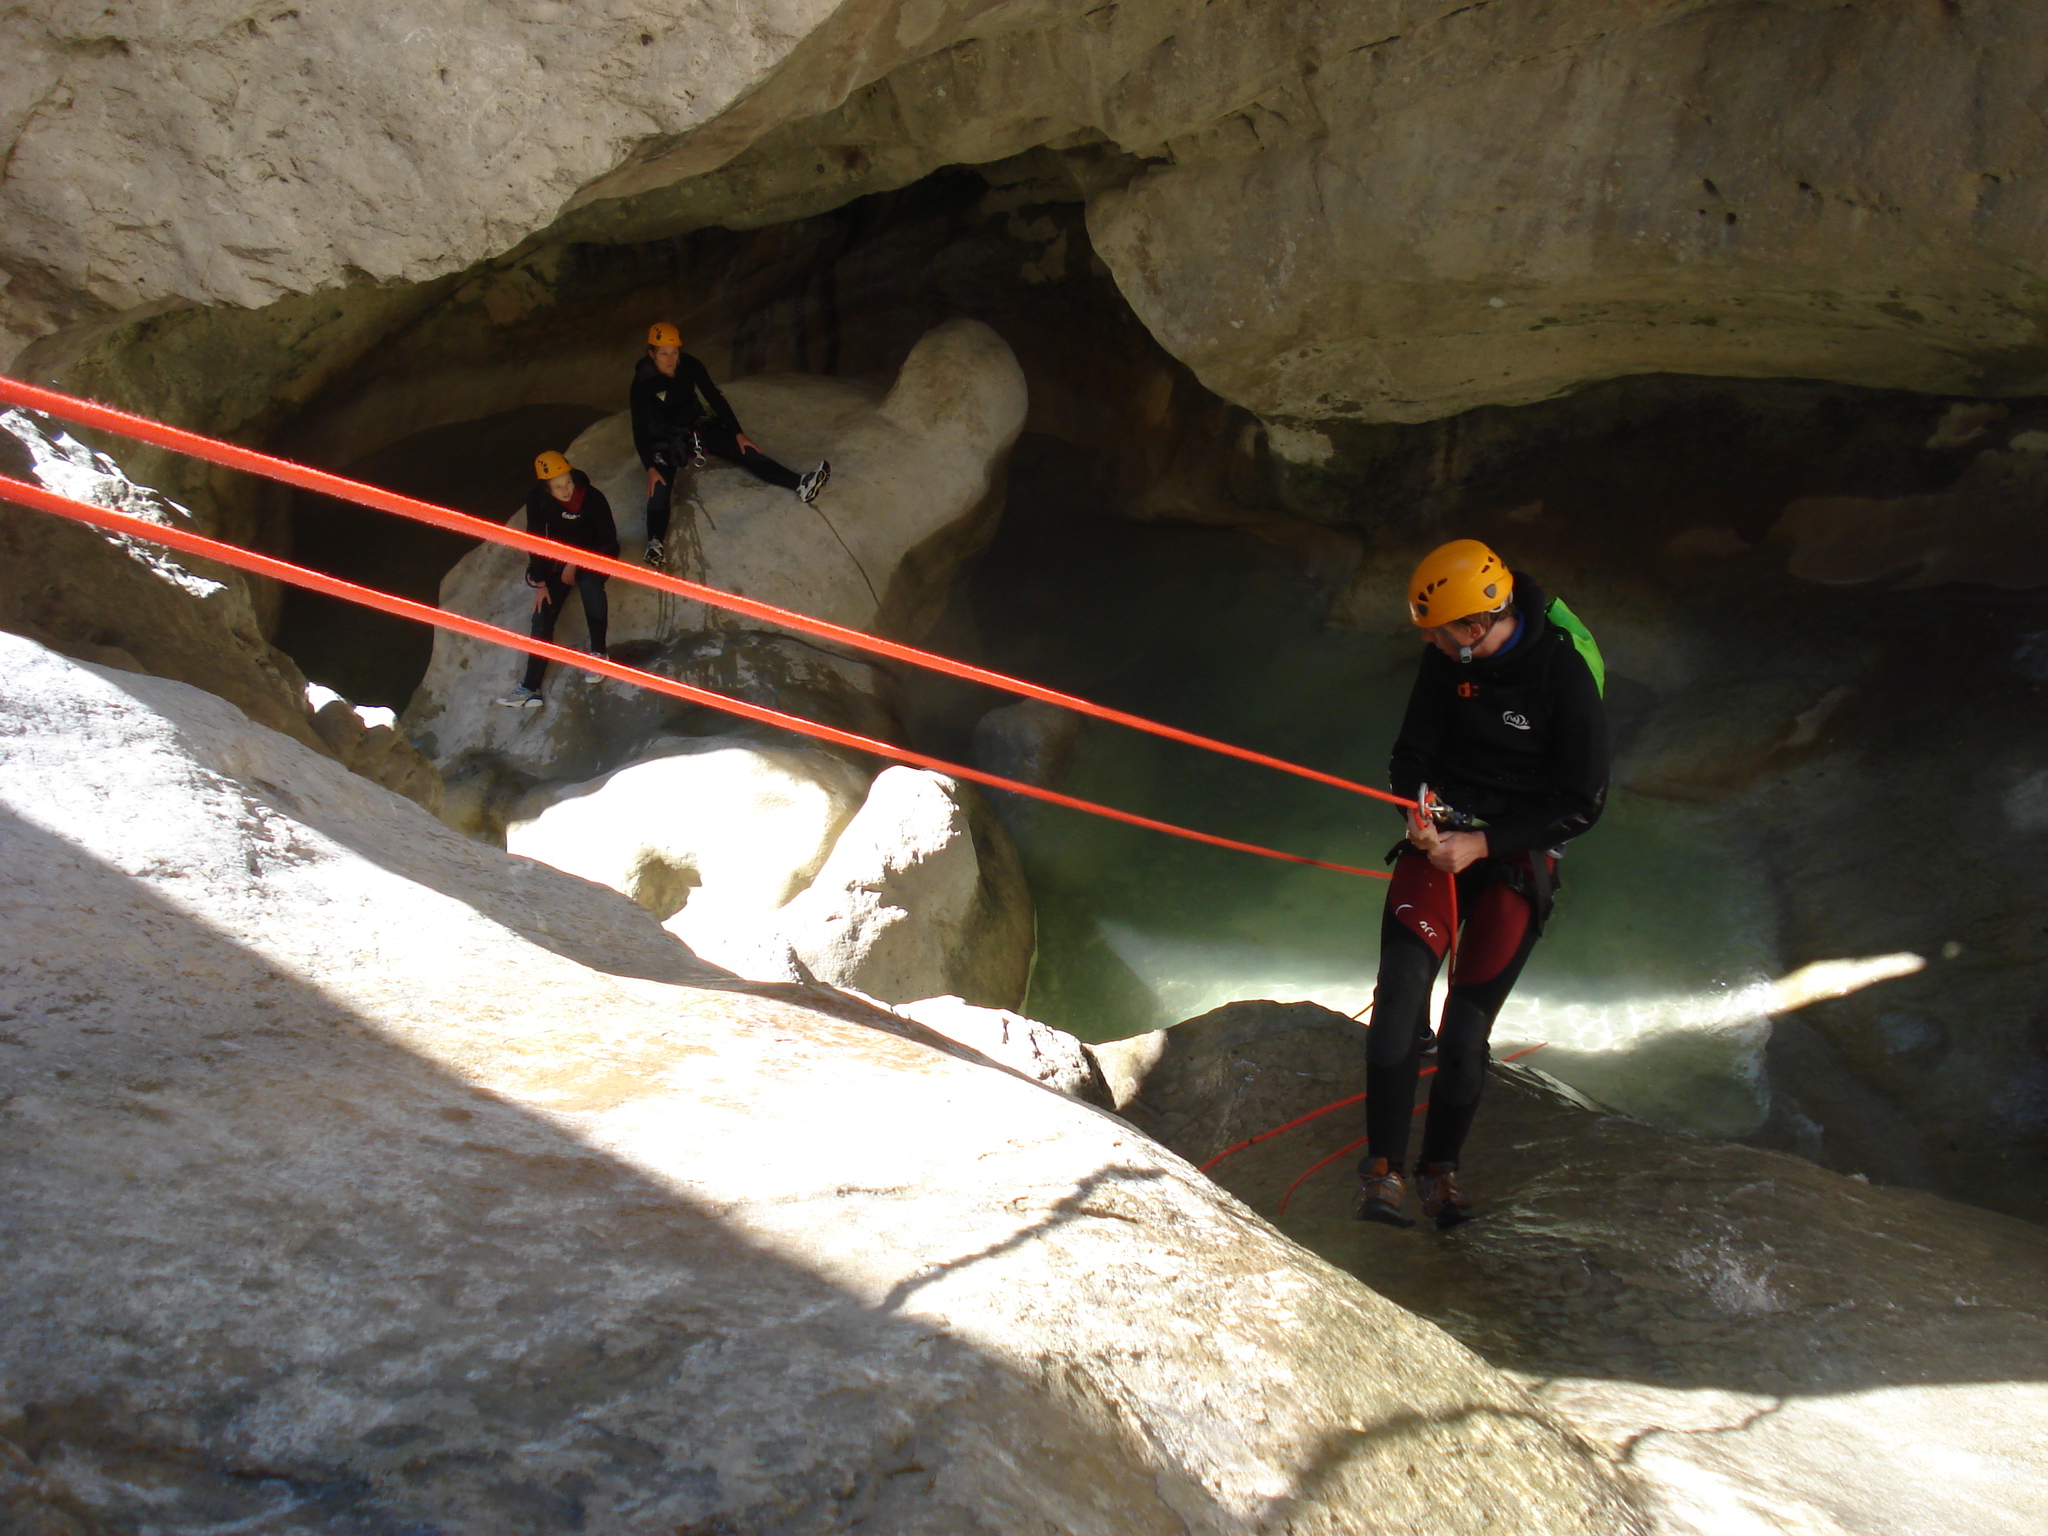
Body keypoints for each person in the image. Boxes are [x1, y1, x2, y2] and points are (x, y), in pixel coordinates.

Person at [1356, 539, 1608, 1229]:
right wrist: (1415, 812)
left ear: (1475, 627)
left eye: (1438, 632)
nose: (1429, 643)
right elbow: (1410, 754)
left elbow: (1581, 802)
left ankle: (1441, 1171)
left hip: (1513, 852)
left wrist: (1486, 844)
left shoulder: (1560, 673)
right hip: (1441, 842)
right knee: (1401, 995)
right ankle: (1382, 1171)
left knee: (1465, 1034)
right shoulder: (1446, 662)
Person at [631, 321, 830, 566]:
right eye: (663, 354)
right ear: (651, 354)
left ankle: (800, 484)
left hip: (696, 426)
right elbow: (639, 428)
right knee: (659, 486)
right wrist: (649, 467)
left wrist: (738, 433)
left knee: (745, 450)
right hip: (665, 437)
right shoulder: (642, 382)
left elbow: (715, 398)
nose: (670, 359)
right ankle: (655, 543)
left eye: (674, 352)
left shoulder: (690, 366)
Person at [494, 451, 620, 709]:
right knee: (543, 611)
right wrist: (541, 582)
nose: (566, 491)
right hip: (563, 557)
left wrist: (575, 561)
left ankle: (599, 653)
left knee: (589, 584)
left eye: (568, 483)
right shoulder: (538, 499)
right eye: (558, 486)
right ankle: (530, 689)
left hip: (597, 549)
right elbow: (536, 537)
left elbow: (608, 538)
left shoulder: (591, 497)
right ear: (546, 487)